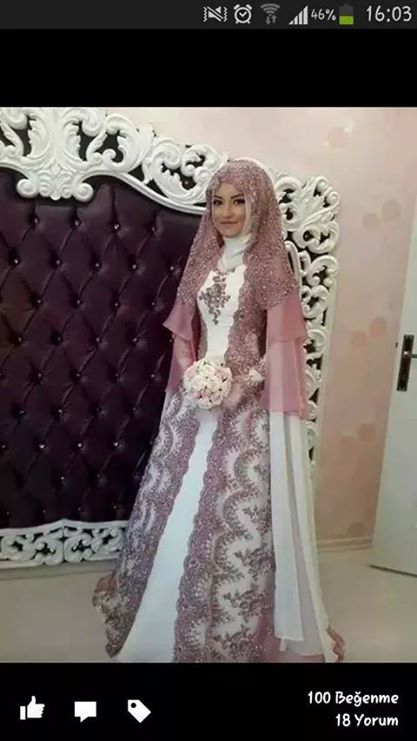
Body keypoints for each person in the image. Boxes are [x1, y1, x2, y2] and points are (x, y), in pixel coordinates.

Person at [92, 159, 345, 663]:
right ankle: (156, 610)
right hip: (197, 400)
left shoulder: (270, 267)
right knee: (174, 496)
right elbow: (184, 330)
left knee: (230, 510)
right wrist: (194, 375)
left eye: (238, 201)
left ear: (259, 205)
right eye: (217, 202)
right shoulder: (205, 260)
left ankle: (229, 624)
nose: (226, 212)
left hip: (245, 409)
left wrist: (238, 383)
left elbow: (281, 347)